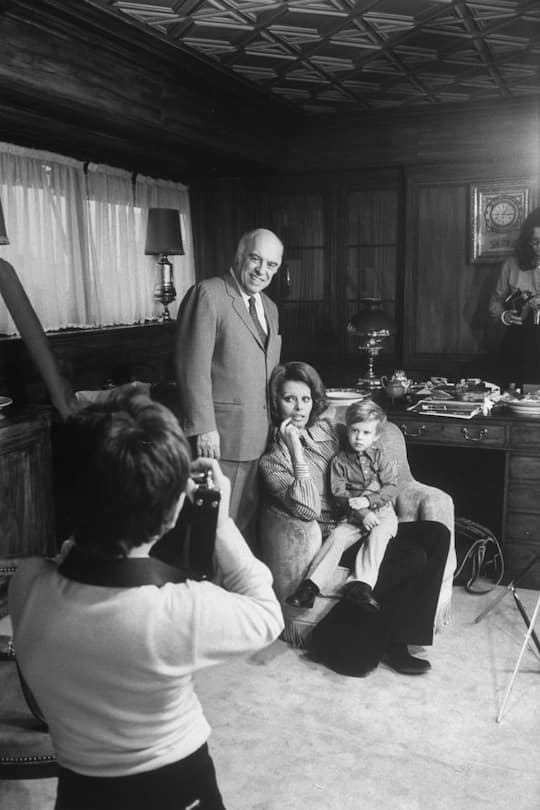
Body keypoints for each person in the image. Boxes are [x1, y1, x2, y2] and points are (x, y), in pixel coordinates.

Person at [9, 389, 284, 810]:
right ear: (174, 512)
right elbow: (267, 615)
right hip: (177, 787)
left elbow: (73, 552)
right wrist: (221, 522)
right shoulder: (179, 611)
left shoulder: (28, 585)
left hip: (80, 792)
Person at [259, 361, 450, 677]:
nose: (298, 408)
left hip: (368, 519)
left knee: (437, 535)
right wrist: (295, 449)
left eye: (305, 399)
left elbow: (368, 440)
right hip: (335, 531)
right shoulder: (273, 461)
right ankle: (371, 642)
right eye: (288, 399)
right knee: (413, 556)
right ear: (275, 403)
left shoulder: (330, 431)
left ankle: (397, 637)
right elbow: (306, 509)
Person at [175, 228, 283, 540]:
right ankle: (204, 588)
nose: (262, 271)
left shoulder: (270, 308)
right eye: (256, 259)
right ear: (239, 256)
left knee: (243, 527)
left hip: (259, 436)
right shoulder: (208, 294)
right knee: (213, 527)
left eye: (271, 265)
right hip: (220, 436)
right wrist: (204, 427)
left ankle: (232, 588)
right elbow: (190, 366)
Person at [286, 399, 398, 613]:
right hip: (353, 515)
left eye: (366, 433)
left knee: (378, 537)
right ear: (348, 430)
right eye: (355, 431)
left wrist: (368, 501)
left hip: (383, 513)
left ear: (376, 436)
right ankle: (310, 587)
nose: (359, 437)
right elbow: (339, 495)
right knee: (337, 536)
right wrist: (362, 512)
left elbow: (392, 487)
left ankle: (362, 586)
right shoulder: (339, 462)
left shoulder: (381, 457)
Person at [488, 206, 540, 387]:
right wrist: (504, 316)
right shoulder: (511, 264)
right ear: (527, 241)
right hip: (520, 342)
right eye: (535, 242)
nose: (539, 247)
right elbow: (495, 302)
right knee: (515, 396)